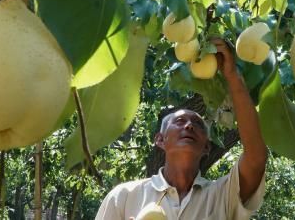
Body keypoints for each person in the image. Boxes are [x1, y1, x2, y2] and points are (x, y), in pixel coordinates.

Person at [95, 38, 268, 220]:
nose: (189, 125)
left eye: (198, 125)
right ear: (160, 140)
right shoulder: (125, 197)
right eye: (179, 121)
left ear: (207, 147)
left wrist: (232, 76)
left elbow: (256, 158)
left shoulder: (222, 196)